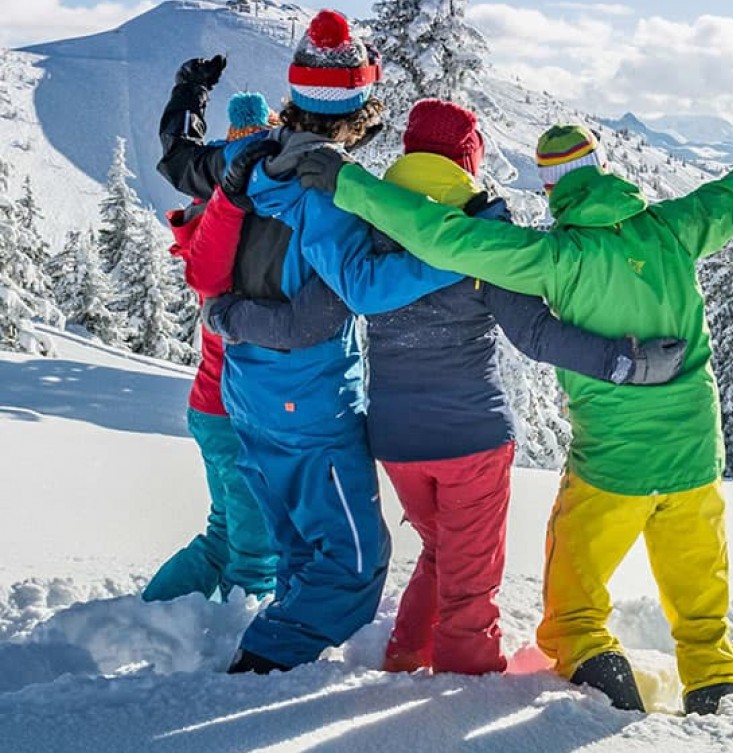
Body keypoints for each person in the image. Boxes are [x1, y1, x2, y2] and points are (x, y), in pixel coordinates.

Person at [293, 69, 733, 714]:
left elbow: (442, 237)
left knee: (572, 613)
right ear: (604, 168)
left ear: (549, 187)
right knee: (701, 607)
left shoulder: (550, 258)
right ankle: (715, 685)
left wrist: (348, 181)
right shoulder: (678, 228)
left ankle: (601, 679)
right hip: (695, 458)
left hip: (610, 468)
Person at [202, 96, 687, 676]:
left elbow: (327, 302)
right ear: (467, 161)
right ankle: (468, 680)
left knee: (438, 551)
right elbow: (535, 335)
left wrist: (229, 315)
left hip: (396, 441)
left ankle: (405, 657)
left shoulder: (371, 221)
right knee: (470, 585)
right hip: (472, 438)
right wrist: (623, 362)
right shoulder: (482, 237)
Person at [155, 9, 463, 674]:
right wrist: (459, 250)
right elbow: (363, 285)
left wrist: (189, 94)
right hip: (308, 399)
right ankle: (266, 658)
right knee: (355, 559)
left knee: (298, 543)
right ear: (355, 109)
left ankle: (274, 653)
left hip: (246, 394)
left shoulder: (250, 155)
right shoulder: (328, 187)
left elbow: (182, 163)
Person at [142, 93, 280, 604]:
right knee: (254, 553)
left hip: (212, 408)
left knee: (222, 540)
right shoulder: (238, 234)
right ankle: (242, 667)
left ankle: (147, 618)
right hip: (234, 411)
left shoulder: (208, 221)